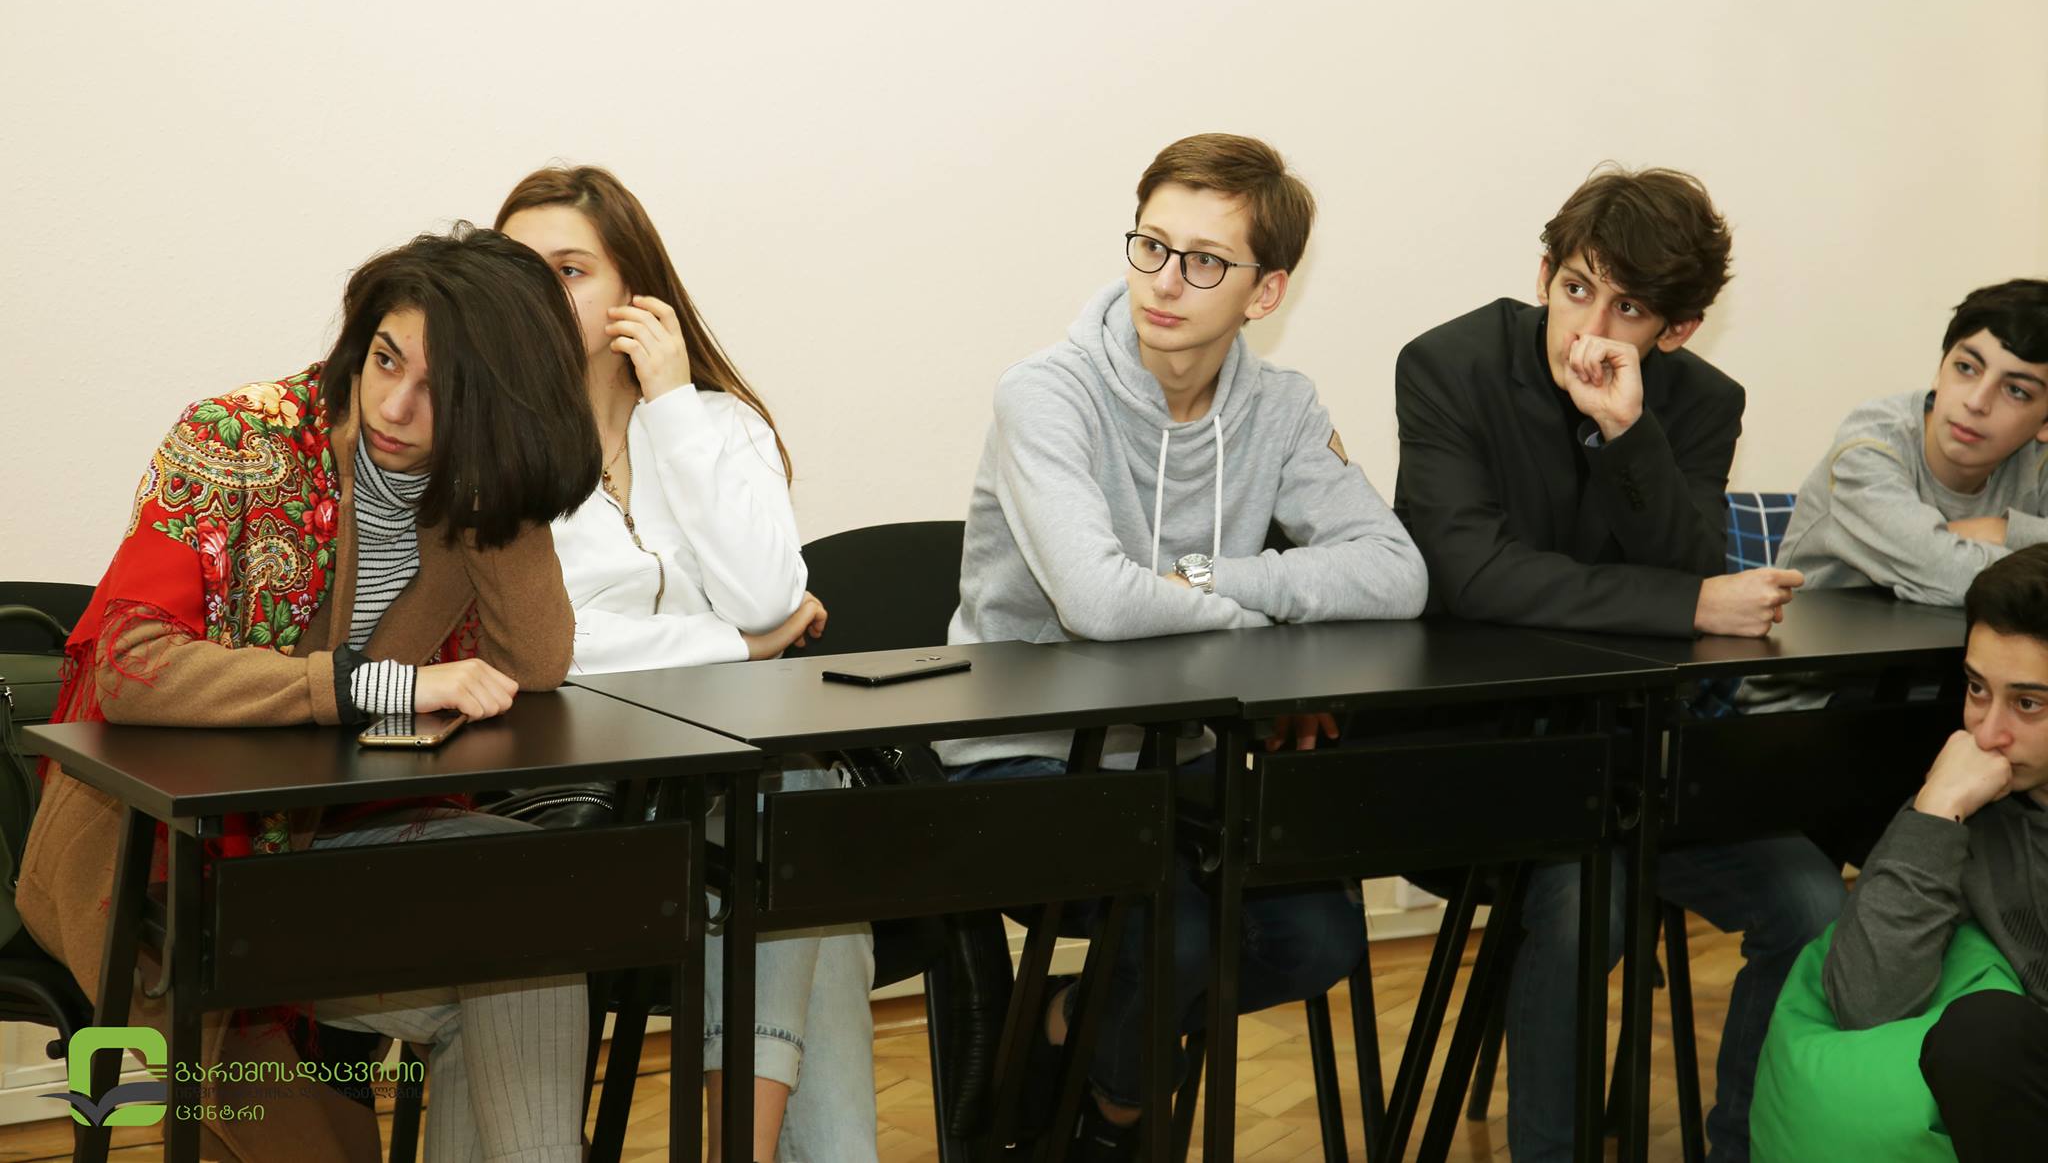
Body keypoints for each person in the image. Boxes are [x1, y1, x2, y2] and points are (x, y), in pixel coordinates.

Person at [17, 225, 600, 1163]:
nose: (395, 406)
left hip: (329, 836)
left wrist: (508, 474)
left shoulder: (466, 493)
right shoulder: (233, 438)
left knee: (534, 922)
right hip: (167, 860)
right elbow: (129, 663)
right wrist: (369, 684)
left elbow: (536, 658)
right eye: (386, 359)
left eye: (443, 390)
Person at [941, 133, 1429, 1158]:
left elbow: (1395, 573)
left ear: (1265, 291)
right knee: (1177, 932)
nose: (1164, 281)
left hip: (1182, 747)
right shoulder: (1047, 392)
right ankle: (1117, 1121)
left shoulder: (1281, 409)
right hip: (1019, 750)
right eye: (1151, 246)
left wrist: (1205, 580)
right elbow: (1096, 602)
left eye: (1205, 261)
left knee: (1319, 936)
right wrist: (1268, 613)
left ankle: (1061, 1024)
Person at [1393, 164, 1842, 1162]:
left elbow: (1681, 559)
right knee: (1580, 907)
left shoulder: (1700, 402)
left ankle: (1742, 1146)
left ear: (1675, 331)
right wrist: (1685, 606)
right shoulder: (1447, 364)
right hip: (1483, 758)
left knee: (1812, 902)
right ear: (1543, 274)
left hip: (1641, 760)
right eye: (1575, 289)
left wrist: (1628, 433)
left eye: (1628, 309)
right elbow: (1470, 574)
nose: (1588, 330)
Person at [497, 165, 871, 1163]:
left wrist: (670, 406)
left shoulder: (715, 425)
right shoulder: (494, 451)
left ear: (637, 291)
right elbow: (550, 648)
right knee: (805, 867)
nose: (542, 295)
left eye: (570, 270)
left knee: (799, 839)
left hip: (730, 780)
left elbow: (765, 592)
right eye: (520, 271)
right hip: (581, 790)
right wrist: (735, 645)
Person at [1823, 544, 2048, 1163]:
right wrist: (1936, 810)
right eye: (1977, 689)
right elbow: (1864, 1001)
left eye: (2028, 703)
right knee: (1979, 1036)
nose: (1987, 734)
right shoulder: (1965, 802)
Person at [1741, 279, 2048, 715]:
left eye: (2016, 390)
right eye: (1966, 368)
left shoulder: (2038, 461)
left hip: (1965, 704)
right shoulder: (1870, 445)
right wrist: (2026, 559)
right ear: (1939, 369)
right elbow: (1943, 571)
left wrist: (2006, 530)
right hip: (1813, 705)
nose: (1977, 402)